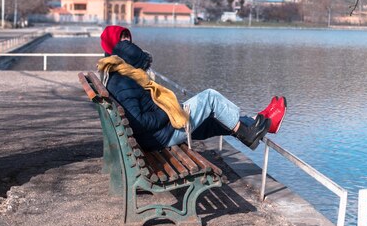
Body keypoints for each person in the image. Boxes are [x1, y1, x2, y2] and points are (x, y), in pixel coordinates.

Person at [97, 26, 286, 152]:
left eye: (128, 39)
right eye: (123, 41)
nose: (128, 43)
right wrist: (166, 112)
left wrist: (167, 109)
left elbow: (141, 113)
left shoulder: (122, 74)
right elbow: (140, 122)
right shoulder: (123, 81)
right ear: (115, 48)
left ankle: (261, 121)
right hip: (160, 136)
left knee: (214, 118)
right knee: (210, 97)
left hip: (156, 134)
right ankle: (248, 134)